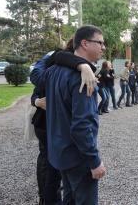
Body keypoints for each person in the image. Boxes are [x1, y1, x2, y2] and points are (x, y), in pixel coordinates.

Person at [42, 25, 106, 204]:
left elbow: (42, 69)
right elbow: (81, 125)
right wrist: (94, 160)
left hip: (61, 153)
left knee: (69, 200)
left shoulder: (53, 72)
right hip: (78, 157)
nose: (103, 47)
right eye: (99, 42)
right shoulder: (83, 78)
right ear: (85, 43)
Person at [30, 39, 97, 205]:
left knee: (59, 170)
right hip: (48, 124)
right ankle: (47, 199)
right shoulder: (58, 61)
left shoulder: (61, 63)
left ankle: (50, 198)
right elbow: (36, 80)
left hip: (55, 124)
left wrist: (84, 66)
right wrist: (36, 101)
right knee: (50, 168)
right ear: (82, 45)